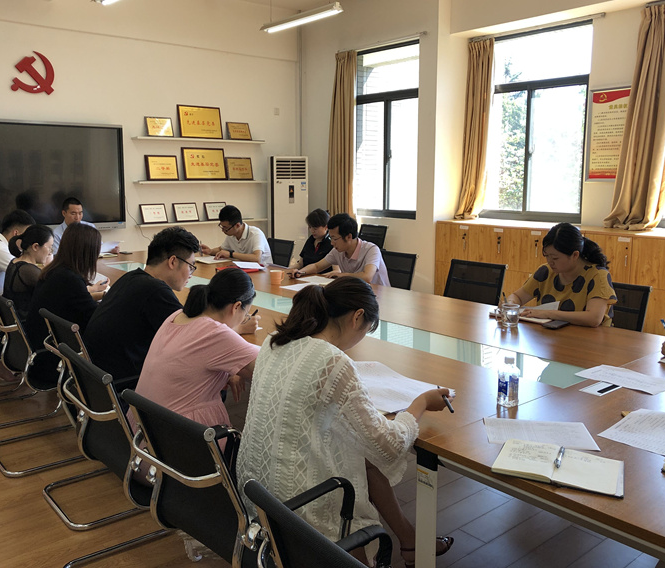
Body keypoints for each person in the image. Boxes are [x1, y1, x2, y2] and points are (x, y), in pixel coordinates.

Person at [237, 278, 454, 566]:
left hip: (255, 492)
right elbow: (389, 444)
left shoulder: (275, 341)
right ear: (357, 317)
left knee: (357, 451)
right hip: (296, 505)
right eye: (366, 330)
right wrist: (422, 402)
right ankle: (365, 551)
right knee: (364, 452)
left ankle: (410, 540)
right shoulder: (332, 360)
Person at [85, 226, 258, 384]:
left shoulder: (132, 278)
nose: (191, 274)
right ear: (173, 261)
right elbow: (197, 343)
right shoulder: (155, 292)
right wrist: (240, 328)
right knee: (217, 381)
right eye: (191, 266)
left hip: (97, 379)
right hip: (124, 384)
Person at [132, 267, 260, 430]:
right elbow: (269, 366)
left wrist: (235, 365)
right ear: (236, 307)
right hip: (181, 435)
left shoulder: (178, 315)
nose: (244, 319)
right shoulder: (215, 334)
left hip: (143, 429)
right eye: (246, 314)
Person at [24, 223, 105, 374]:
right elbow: (96, 319)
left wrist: (105, 297)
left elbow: (79, 303)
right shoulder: (70, 279)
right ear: (87, 252)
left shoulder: (54, 271)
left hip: (42, 349)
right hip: (55, 361)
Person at [507, 222, 617, 327]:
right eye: (546, 256)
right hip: (551, 335)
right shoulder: (545, 272)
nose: (550, 262)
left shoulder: (597, 275)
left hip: (590, 338)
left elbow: (593, 318)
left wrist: (547, 313)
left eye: (555, 258)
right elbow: (517, 297)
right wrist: (511, 305)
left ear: (575, 255)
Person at [289, 213, 390, 286]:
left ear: (349, 237)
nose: (332, 243)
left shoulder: (371, 250)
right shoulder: (338, 250)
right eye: (331, 238)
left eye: (335, 239)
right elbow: (317, 266)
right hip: (356, 292)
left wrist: (341, 275)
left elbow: (367, 277)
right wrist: (300, 272)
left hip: (379, 296)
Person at [3, 224, 54, 319]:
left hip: (17, 319)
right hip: (28, 322)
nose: (50, 252)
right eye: (49, 247)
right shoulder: (27, 270)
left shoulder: (16, 262)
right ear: (35, 247)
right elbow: (55, 290)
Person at [199, 205, 272, 265]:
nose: (223, 230)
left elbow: (256, 258)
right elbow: (221, 249)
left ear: (237, 225)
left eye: (225, 228)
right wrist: (210, 251)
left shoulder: (255, 234)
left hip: (263, 271)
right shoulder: (232, 234)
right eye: (221, 226)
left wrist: (230, 254)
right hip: (243, 269)